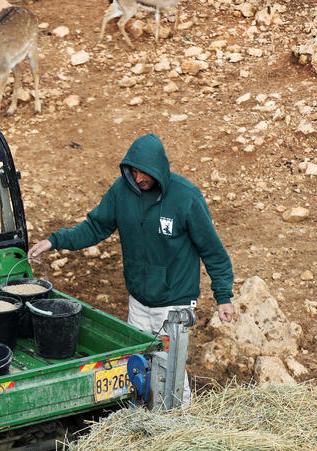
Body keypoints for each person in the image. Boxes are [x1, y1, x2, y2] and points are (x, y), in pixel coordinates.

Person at [28, 133, 234, 404]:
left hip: (173, 306)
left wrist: (223, 296)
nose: (137, 179)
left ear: (158, 169)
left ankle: (183, 422)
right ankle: (143, 425)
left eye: (143, 173)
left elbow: (213, 251)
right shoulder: (121, 192)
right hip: (138, 301)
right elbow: (95, 226)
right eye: (133, 172)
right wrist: (54, 241)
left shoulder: (186, 198)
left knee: (171, 373)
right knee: (138, 368)